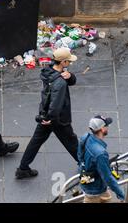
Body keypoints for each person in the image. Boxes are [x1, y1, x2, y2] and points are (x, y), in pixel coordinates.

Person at [16, 47, 79, 179]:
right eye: (68, 61)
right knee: (71, 141)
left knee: (36, 141)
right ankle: (86, 165)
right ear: (63, 62)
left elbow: (70, 81)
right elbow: (56, 104)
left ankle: (23, 168)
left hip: (44, 114)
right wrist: (51, 118)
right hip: (57, 119)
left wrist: (70, 76)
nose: (70, 63)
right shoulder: (60, 83)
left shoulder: (49, 71)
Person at [78, 115, 125, 203]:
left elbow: (79, 156)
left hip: (89, 182)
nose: (108, 127)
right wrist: (121, 194)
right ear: (102, 129)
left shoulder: (85, 137)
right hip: (95, 191)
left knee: (107, 198)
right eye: (106, 126)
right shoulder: (100, 153)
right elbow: (107, 177)